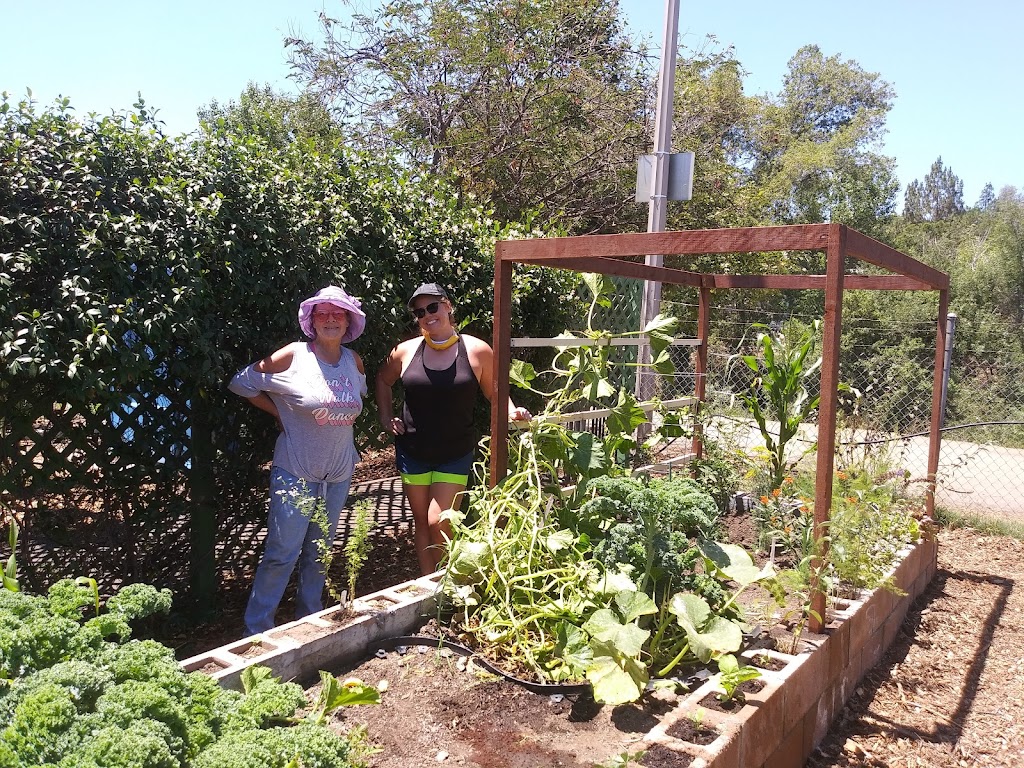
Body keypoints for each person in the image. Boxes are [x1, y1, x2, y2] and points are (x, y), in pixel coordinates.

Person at [229, 285, 367, 636]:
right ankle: (256, 631)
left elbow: (354, 401)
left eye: (338, 312)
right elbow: (242, 383)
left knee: (320, 552)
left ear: (349, 320)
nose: (331, 319)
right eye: (323, 313)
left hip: (337, 472)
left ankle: (309, 621)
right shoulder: (295, 355)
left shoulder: (354, 361)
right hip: (295, 470)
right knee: (281, 553)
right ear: (311, 320)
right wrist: (279, 411)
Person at [375, 282, 530, 575]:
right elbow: (383, 380)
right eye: (420, 312)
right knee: (421, 522)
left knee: (440, 522)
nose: (427, 315)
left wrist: (512, 411)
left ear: (448, 306)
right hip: (413, 451)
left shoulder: (476, 350)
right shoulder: (405, 352)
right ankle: (427, 588)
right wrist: (386, 417)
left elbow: (495, 391)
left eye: (432, 307)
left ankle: (451, 584)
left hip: (455, 452)